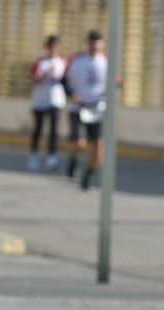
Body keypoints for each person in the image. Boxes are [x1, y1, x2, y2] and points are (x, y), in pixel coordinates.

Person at [64, 29, 108, 190]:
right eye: (92, 41)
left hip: (97, 109)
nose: (95, 44)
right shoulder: (77, 60)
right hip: (78, 107)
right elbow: (64, 80)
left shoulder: (107, 62)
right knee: (79, 143)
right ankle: (73, 159)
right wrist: (71, 94)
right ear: (88, 43)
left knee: (98, 151)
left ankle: (87, 176)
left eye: (98, 41)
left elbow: (117, 83)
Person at [28, 35, 67, 172]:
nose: (53, 50)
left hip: (56, 100)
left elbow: (67, 81)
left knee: (53, 130)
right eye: (51, 47)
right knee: (38, 129)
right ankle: (34, 155)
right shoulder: (40, 62)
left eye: (56, 47)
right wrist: (43, 76)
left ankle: (52, 156)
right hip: (40, 101)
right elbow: (33, 80)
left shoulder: (63, 63)